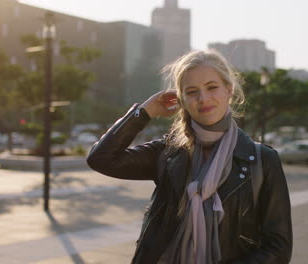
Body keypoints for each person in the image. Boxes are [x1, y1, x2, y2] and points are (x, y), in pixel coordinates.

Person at [86, 50, 293, 263]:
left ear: (229, 90)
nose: (203, 98)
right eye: (192, 92)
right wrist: (144, 111)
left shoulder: (261, 159)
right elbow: (101, 159)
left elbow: (278, 246)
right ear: (182, 99)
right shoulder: (168, 152)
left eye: (212, 87)